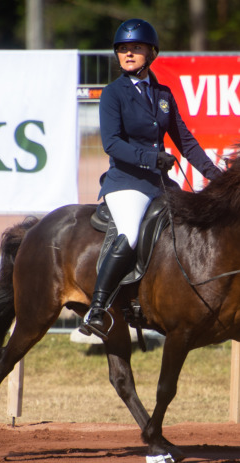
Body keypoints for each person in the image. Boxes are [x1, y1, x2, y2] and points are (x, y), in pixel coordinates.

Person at [79, 18, 222, 338]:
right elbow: (111, 144)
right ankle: (97, 308)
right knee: (130, 234)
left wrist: (216, 176)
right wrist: (151, 158)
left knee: (189, 227)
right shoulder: (112, 94)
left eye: (136, 48)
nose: (128, 54)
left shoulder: (162, 94)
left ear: (152, 53)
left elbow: (186, 142)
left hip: (159, 184)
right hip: (126, 182)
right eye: (123, 49)